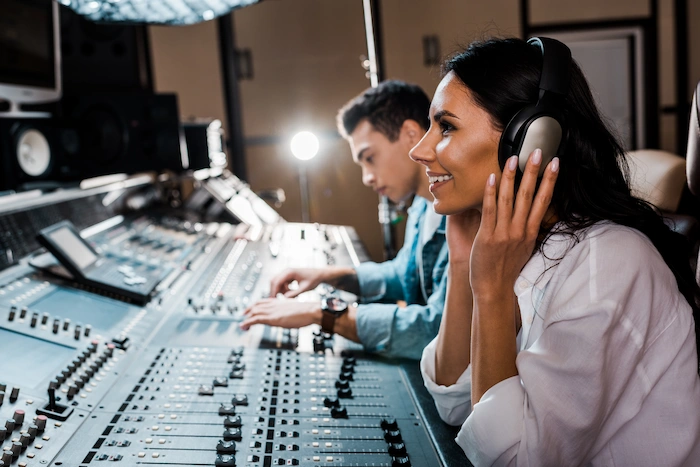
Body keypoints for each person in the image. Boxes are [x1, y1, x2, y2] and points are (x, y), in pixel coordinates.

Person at [411, 37, 700, 466]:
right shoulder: (520, 244)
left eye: (446, 126)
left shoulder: (609, 262)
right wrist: (461, 259)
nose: (421, 149)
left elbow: (512, 460)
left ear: (530, 141)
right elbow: (455, 404)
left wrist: (490, 291)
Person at [240, 80, 449, 360]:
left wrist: (323, 315)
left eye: (370, 158)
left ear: (411, 135)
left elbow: (439, 331)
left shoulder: (462, 213)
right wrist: (329, 276)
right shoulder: (423, 205)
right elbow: (404, 274)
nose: (367, 178)